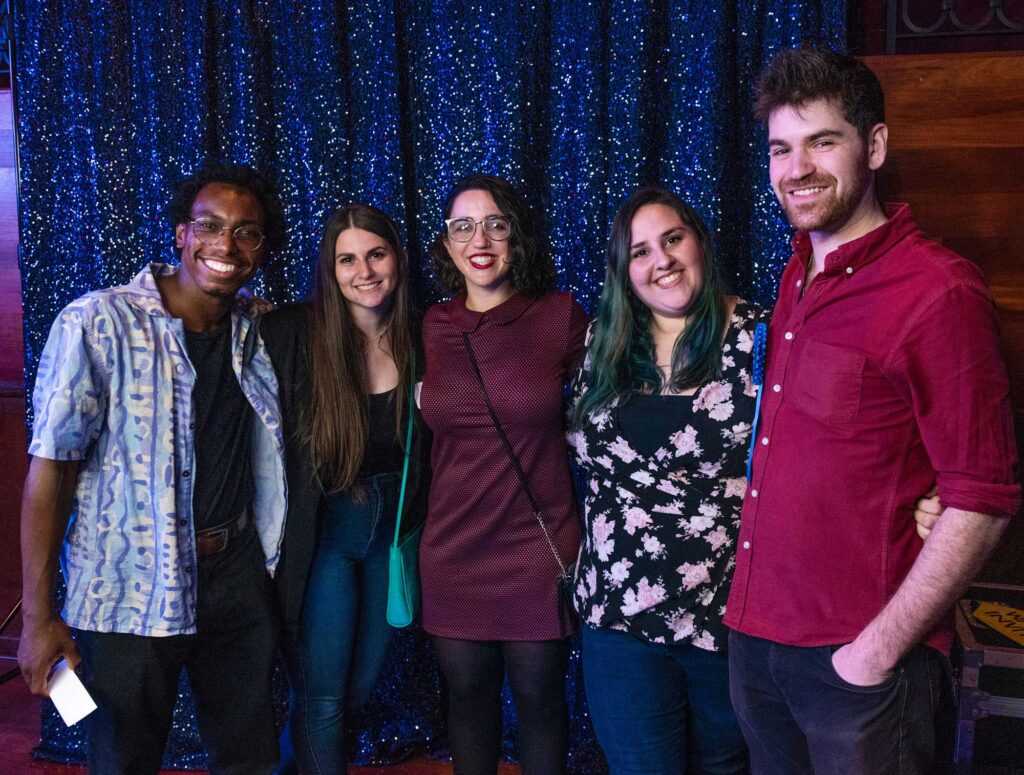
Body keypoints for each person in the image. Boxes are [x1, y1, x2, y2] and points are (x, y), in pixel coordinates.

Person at [724, 47, 1020, 774]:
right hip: (758, 648)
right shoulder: (796, 274)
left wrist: (874, 653)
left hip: (860, 667)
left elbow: (982, 499)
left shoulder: (938, 291)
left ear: (875, 145)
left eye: (823, 141)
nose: (798, 168)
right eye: (781, 148)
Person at [18, 162, 288, 774]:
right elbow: (50, 473)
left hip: (236, 573)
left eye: (246, 232)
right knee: (123, 757)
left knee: (248, 756)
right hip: (125, 581)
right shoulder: (97, 323)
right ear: (180, 235)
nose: (226, 244)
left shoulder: (257, 328)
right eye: (210, 226)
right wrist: (39, 619)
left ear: (262, 249)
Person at [568, 187, 758, 774]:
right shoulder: (603, 343)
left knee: (723, 768)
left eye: (672, 240)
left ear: (698, 241)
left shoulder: (761, 340)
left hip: (724, 616)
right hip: (617, 615)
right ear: (626, 273)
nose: (662, 261)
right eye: (640, 252)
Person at [419, 174, 588, 774]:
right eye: (462, 226)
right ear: (446, 244)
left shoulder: (560, 317)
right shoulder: (431, 326)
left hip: (535, 547)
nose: (479, 238)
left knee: (541, 702)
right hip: (452, 550)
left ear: (516, 237)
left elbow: (626, 381)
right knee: (467, 702)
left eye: (495, 223)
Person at [259, 204, 431, 773]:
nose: (364, 271)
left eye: (376, 254)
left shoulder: (427, 337)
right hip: (327, 540)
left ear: (398, 260)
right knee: (325, 699)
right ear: (330, 272)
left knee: (354, 689)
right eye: (347, 259)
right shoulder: (294, 334)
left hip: (392, 541)